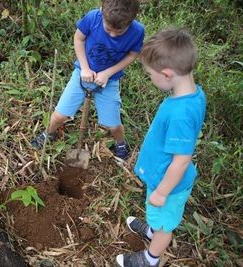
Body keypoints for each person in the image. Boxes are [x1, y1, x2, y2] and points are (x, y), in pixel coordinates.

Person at [116, 28, 206, 267]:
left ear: (167, 75)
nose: (149, 77)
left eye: (149, 74)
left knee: (165, 224)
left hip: (169, 184)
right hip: (161, 174)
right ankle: (151, 230)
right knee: (158, 216)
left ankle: (150, 258)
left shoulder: (180, 115)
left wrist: (162, 192)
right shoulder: (194, 95)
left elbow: (181, 161)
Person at [31, 0, 144, 160]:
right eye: (109, 29)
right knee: (59, 116)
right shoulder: (93, 18)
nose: (112, 35)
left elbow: (133, 54)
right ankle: (47, 133)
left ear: (131, 21)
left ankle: (120, 143)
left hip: (109, 81)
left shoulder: (137, 31)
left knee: (113, 125)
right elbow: (79, 39)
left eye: (118, 32)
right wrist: (84, 67)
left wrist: (108, 73)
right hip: (82, 74)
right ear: (101, 11)